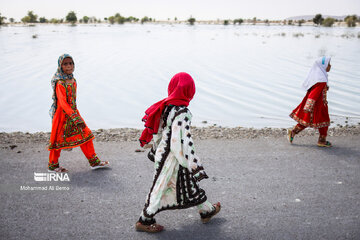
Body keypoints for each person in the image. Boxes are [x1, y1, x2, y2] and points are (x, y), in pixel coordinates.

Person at [135, 72, 221, 233]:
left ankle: (206, 210)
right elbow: (180, 140)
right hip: (174, 157)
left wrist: (156, 151)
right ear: (189, 91)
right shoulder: (182, 112)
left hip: (165, 153)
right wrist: (192, 162)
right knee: (160, 187)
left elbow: (159, 133)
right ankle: (144, 220)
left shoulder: (167, 107)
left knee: (188, 184)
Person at [48, 54, 109, 172]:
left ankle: (94, 162)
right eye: (65, 64)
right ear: (60, 66)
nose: (69, 66)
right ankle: (53, 165)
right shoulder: (60, 82)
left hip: (74, 113)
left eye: (71, 63)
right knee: (57, 141)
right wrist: (75, 118)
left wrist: (75, 115)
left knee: (86, 135)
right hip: (62, 116)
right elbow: (62, 103)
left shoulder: (73, 80)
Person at [288, 56, 332, 147]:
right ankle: (321, 140)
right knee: (324, 121)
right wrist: (308, 106)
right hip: (317, 106)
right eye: (328, 64)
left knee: (308, 121)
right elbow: (314, 93)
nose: (330, 66)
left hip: (318, 104)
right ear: (323, 67)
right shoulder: (321, 80)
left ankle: (293, 132)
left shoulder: (318, 77)